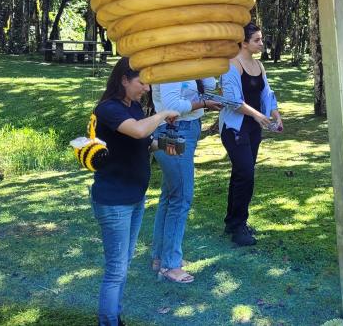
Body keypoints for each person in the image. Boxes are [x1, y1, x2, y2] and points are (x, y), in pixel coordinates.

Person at [89, 57, 179, 326]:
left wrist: (168, 145)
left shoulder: (135, 107)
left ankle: (114, 316)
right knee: (116, 270)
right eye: (142, 82)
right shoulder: (108, 109)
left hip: (134, 197)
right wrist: (164, 113)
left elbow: (145, 142)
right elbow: (139, 131)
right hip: (114, 201)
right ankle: (109, 321)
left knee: (123, 263)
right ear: (124, 80)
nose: (147, 88)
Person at [149, 77, 221, 283]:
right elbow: (173, 107)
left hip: (187, 128)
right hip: (175, 130)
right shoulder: (170, 67)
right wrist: (204, 104)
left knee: (170, 195)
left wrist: (206, 68)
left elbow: (207, 88)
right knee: (180, 198)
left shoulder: (190, 65)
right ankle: (170, 265)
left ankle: (160, 257)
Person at [219, 22, 282, 246]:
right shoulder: (231, 66)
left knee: (241, 173)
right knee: (246, 173)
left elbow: (267, 94)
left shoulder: (259, 66)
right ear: (244, 43)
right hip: (235, 128)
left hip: (253, 129)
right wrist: (257, 115)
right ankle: (239, 226)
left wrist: (275, 114)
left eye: (261, 39)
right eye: (257, 40)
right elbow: (233, 101)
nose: (261, 44)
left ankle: (232, 221)